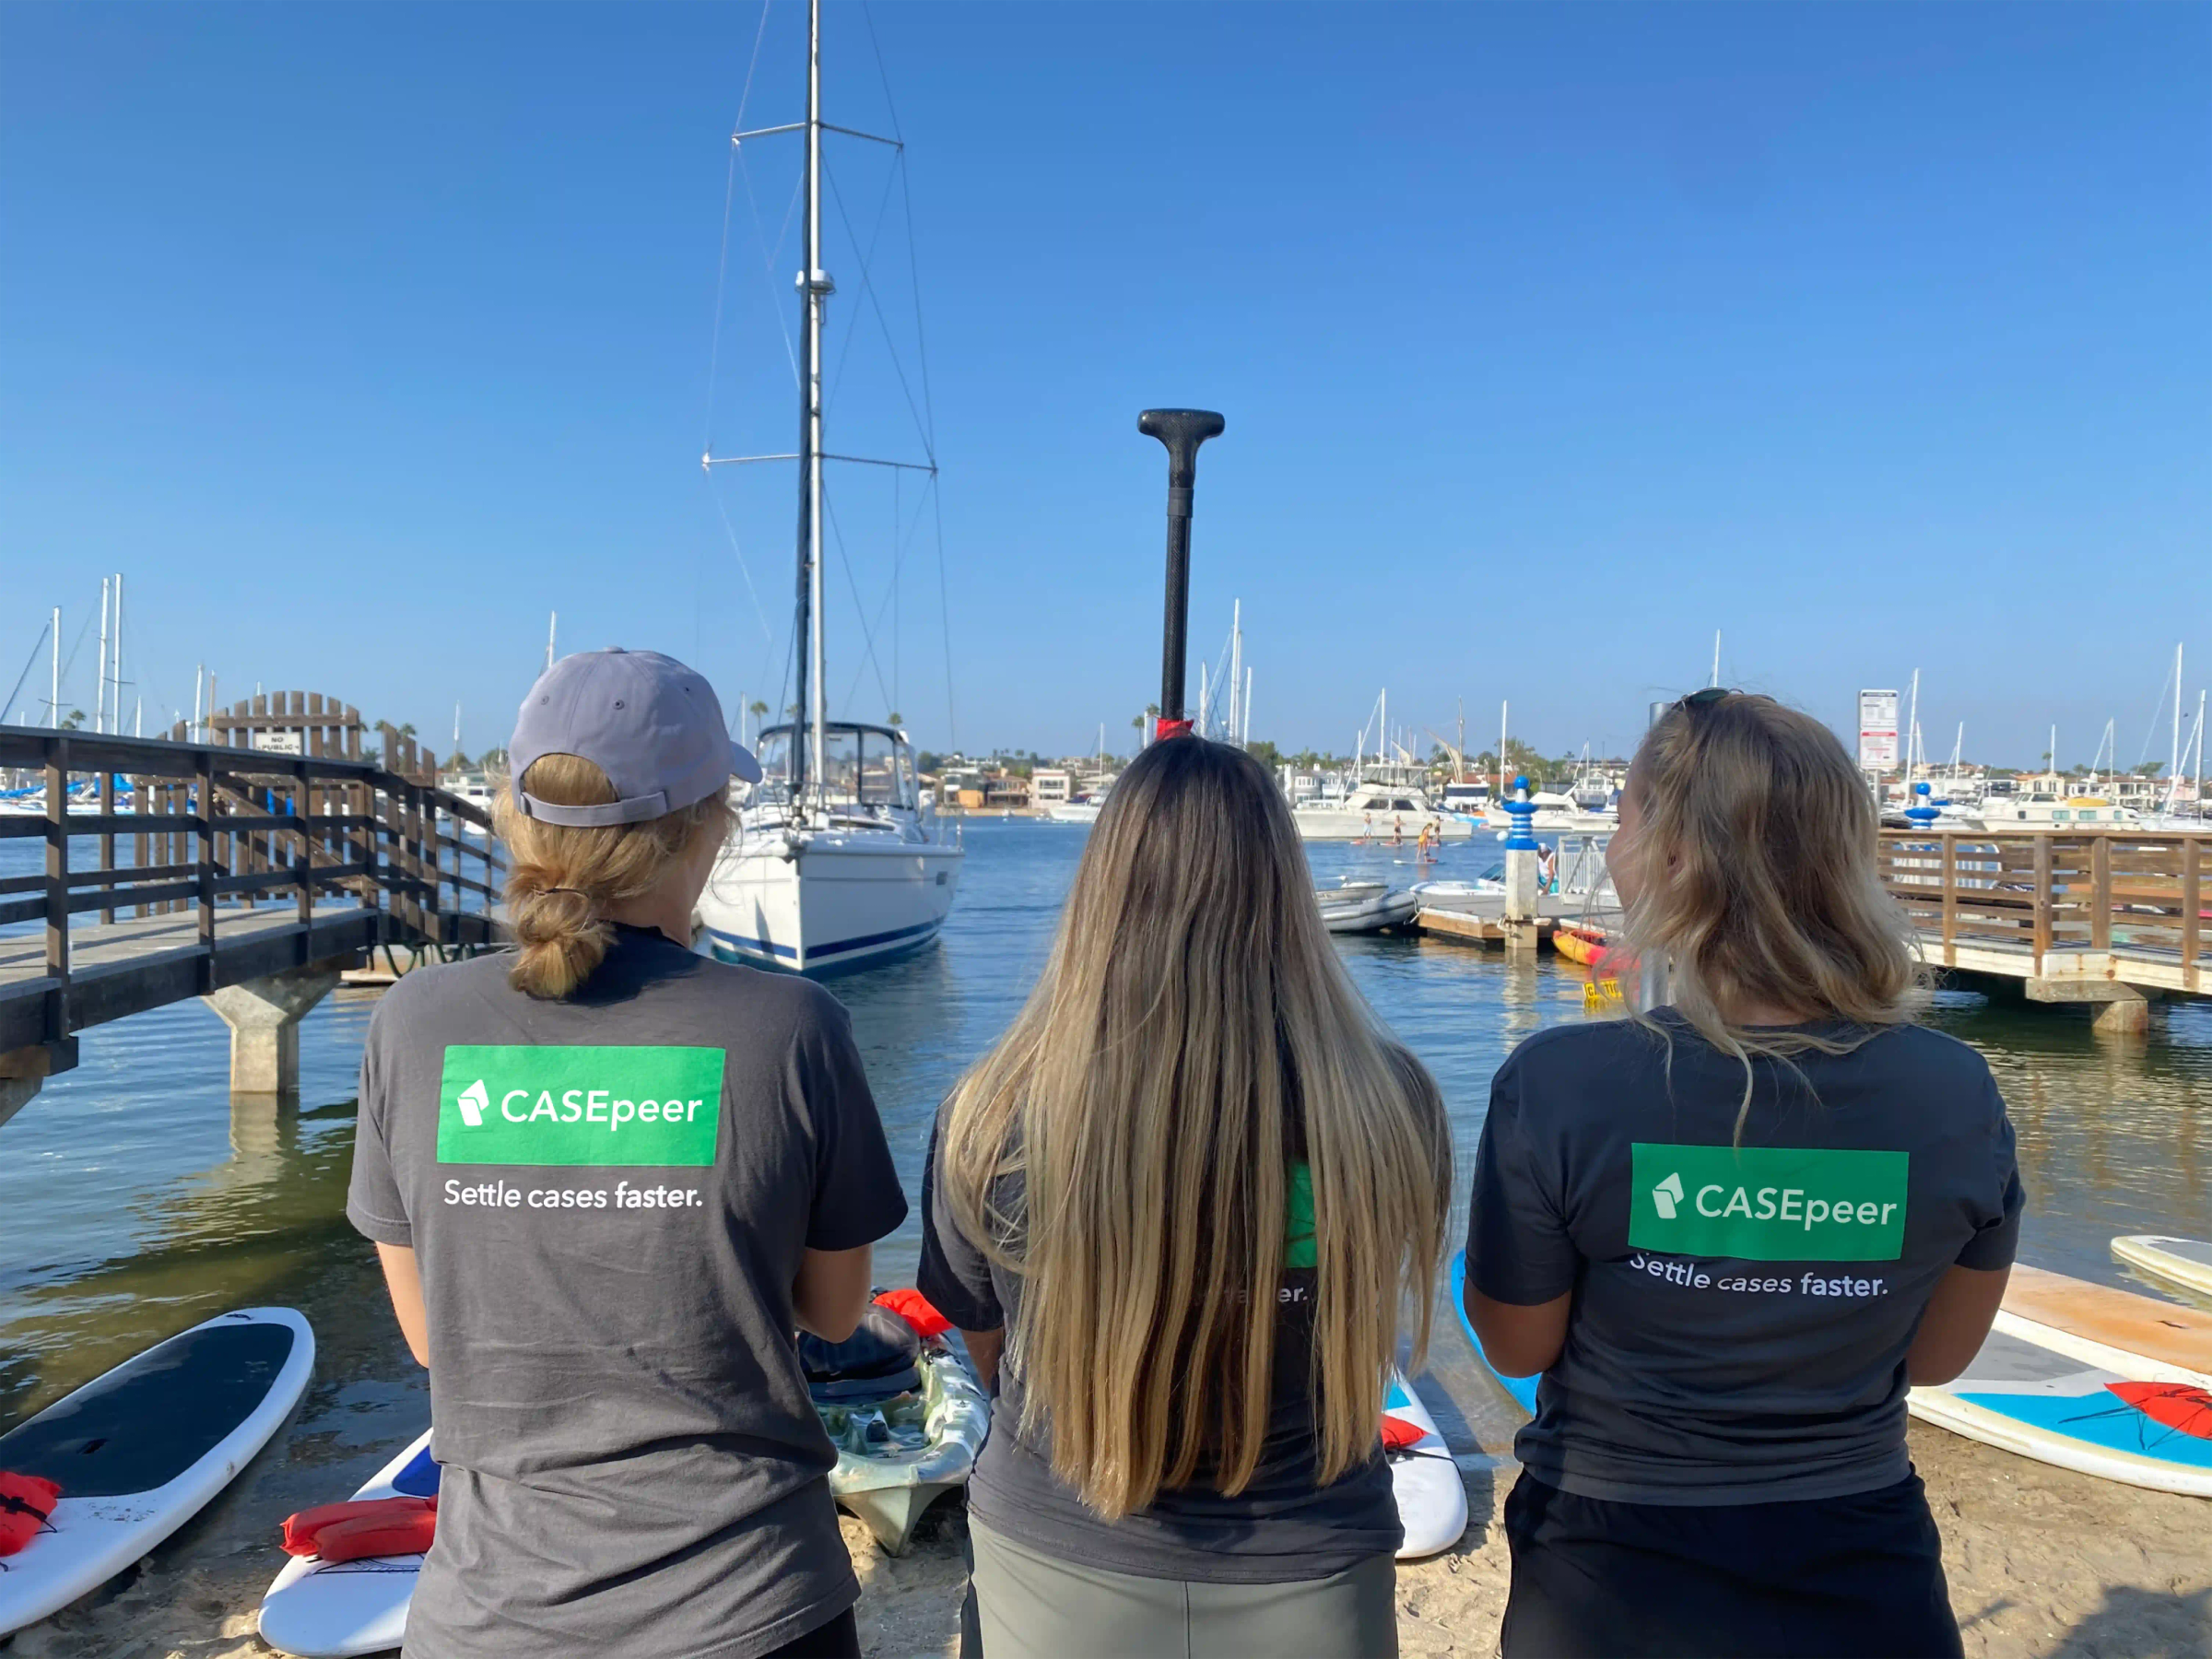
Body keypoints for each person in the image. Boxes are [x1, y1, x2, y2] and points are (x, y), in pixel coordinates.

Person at [347, 649, 909, 1659]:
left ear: (520, 821)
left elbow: (432, 1335)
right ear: (706, 826)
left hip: (492, 1617)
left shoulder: (414, 1021)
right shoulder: (792, 1028)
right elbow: (831, 1313)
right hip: (750, 1603)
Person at [1463, 689, 2023, 1659]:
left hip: (1610, 1571)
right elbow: (1935, 1361)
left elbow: (1516, 1346)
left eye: (1622, 820)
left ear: (1675, 856)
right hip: (1862, 1569)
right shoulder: (1955, 1092)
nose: (1611, 848)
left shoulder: (1560, 1085)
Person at [920, 736, 1453, 1659]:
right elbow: (1360, 1319)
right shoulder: (1389, 1105)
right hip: (1312, 1562)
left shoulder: (990, 1115)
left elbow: (993, 1344)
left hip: (1058, 1559)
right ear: (1285, 892)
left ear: (1104, 893)